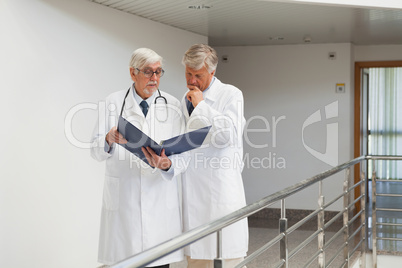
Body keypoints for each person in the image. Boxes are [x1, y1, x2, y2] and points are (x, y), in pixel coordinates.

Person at [143, 44, 248, 268]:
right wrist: (167, 162)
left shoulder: (230, 95)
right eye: (188, 74)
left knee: (226, 260)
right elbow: (186, 144)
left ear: (212, 72)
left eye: (197, 75)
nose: (191, 81)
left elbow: (227, 135)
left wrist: (201, 106)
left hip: (220, 196)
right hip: (192, 197)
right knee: (197, 261)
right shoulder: (185, 99)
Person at [90, 48, 184, 268]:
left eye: (159, 72)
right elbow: (94, 150)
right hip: (124, 206)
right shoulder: (112, 102)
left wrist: (167, 164)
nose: (154, 78)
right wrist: (108, 138)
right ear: (133, 73)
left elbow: (183, 155)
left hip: (160, 201)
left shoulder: (172, 105)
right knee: (125, 261)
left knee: (159, 263)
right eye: (148, 72)